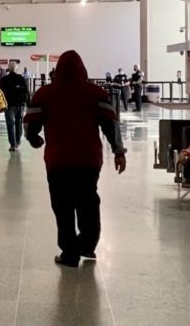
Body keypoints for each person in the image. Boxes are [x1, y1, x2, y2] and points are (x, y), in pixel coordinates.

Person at [24, 50, 127, 268]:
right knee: (88, 201)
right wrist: (118, 151)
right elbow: (111, 124)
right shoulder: (96, 93)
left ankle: (69, 253)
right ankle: (87, 244)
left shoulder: (45, 93)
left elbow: (30, 122)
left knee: (62, 206)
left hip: (58, 160)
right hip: (88, 160)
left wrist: (34, 139)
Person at [0, 63, 30, 152]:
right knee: (18, 123)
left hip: (8, 105)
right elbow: (26, 91)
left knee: (10, 124)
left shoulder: (4, 79)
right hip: (19, 105)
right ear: (16, 69)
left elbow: (0, 93)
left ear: (9, 69)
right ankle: (17, 141)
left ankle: (12, 144)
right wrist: (28, 103)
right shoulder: (21, 78)